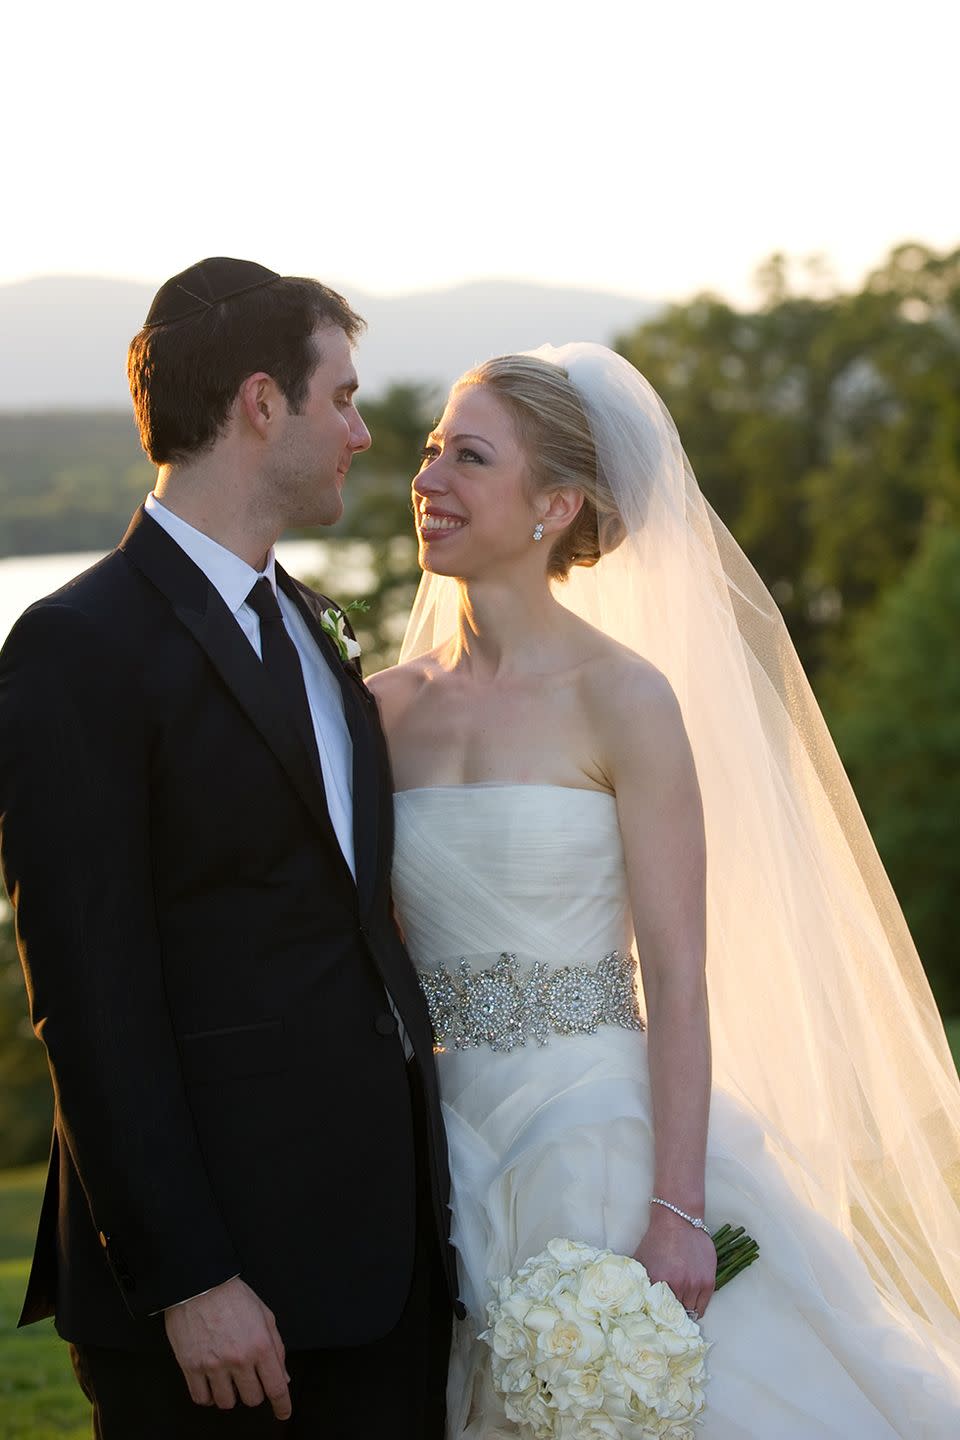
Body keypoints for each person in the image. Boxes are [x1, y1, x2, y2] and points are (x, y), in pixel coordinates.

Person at [368, 343, 960, 1437]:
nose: (429, 479)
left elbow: (679, 975)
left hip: (599, 1133)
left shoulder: (625, 699)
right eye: (432, 449)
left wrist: (679, 1210)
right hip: (436, 1149)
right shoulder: (377, 710)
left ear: (554, 504)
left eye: (471, 457)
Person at [0, 257, 457, 1438]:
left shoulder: (307, 622)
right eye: (342, 398)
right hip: (221, 1310)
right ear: (263, 403)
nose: (364, 433)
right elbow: (88, 994)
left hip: (382, 1270)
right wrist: (190, 1276)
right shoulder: (76, 646)